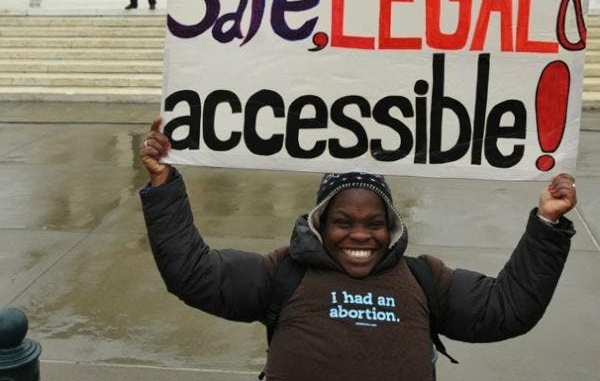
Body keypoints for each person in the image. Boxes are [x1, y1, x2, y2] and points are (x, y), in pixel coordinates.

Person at [139, 117, 577, 381]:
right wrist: (163, 184)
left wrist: (547, 223)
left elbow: (507, 309)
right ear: (320, 224)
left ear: (392, 226)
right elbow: (193, 274)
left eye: (374, 223)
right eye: (343, 222)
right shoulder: (281, 273)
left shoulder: (425, 280)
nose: (360, 235)